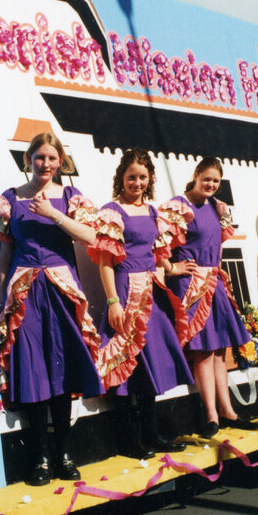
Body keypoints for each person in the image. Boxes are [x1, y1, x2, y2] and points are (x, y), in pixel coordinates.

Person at [0, 132, 104, 486]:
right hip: (25, 292)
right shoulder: (9, 200)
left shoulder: (68, 197)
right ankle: (41, 458)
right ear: (28, 160)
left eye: (52, 158)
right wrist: (1, 298)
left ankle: (64, 453)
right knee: (33, 371)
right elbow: (4, 253)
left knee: (62, 371)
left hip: (62, 289)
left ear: (60, 161)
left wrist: (52, 213)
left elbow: (91, 237)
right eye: (39, 158)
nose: (46, 164)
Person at [91, 149, 193, 457]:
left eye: (142, 177)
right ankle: (128, 441)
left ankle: (151, 434)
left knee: (149, 363)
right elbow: (105, 262)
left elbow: (159, 256)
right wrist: (112, 302)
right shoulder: (112, 211)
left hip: (151, 291)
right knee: (124, 363)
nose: (136, 182)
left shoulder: (152, 213)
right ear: (122, 177)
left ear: (150, 180)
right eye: (131, 176)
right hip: (124, 290)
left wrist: (175, 269)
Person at [160, 157, 253, 439]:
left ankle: (228, 411)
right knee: (202, 351)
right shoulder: (178, 206)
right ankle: (211, 415)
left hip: (213, 282)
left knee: (219, 351)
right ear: (196, 175)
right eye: (207, 179)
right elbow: (159, 242)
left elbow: (217, 245)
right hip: (190, 285)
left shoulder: (217, 207)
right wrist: (171, 268)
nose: (211, 184)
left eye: (216, 181)